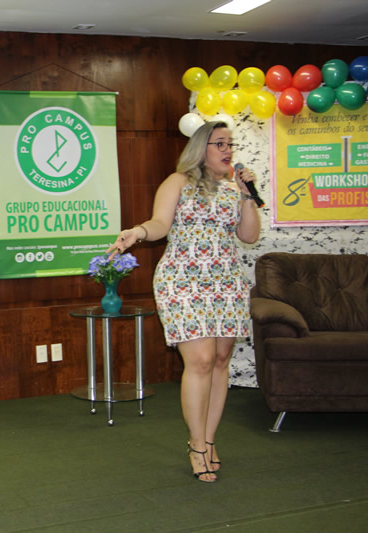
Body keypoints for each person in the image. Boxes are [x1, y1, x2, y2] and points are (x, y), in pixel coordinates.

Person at [107, 121, 260, 483]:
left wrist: (247, 195)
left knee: (220, 360)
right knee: (202, 359)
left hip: (226, 281)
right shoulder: (178, 182)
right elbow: (160, 224)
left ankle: (209, 439)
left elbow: (249, 235)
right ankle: (196, 444)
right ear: (201, 148)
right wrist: (137, 232)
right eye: (219, 143)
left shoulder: (233, 189)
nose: (228, 150)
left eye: (230, 144)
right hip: (183, 279)